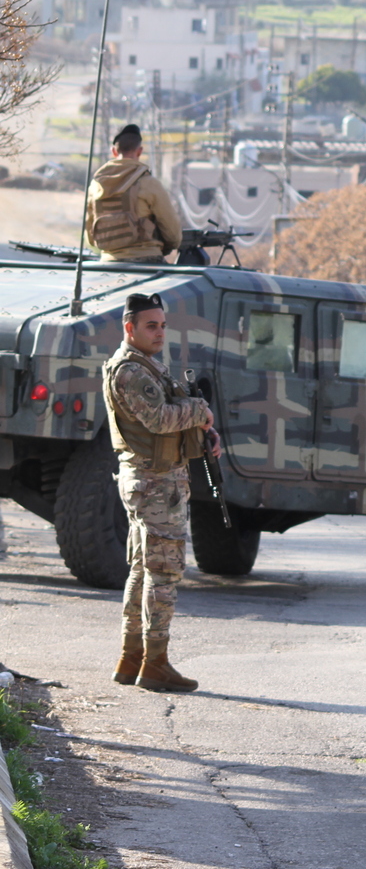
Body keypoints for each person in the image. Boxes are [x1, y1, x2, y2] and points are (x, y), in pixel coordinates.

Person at [105, 292, 220, 692]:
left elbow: (173, 411)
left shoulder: (148, 366)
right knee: (165, 572)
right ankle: (155, 664)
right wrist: (200, 412)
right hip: (155, 484)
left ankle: (132, 658)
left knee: (143, 569)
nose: (159, 332)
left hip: (155, 480)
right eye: (150, 325)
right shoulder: (130, 372)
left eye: (162, 325)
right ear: (129, 328)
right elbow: (157, 419)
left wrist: (204, 431)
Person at [86, 124, 183, 264]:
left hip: (108, 263)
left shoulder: (95, 186)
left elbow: (90, 235)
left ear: (114, 151)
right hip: (146, 261)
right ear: (139, 151)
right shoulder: (149, 183)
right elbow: (172, 232)